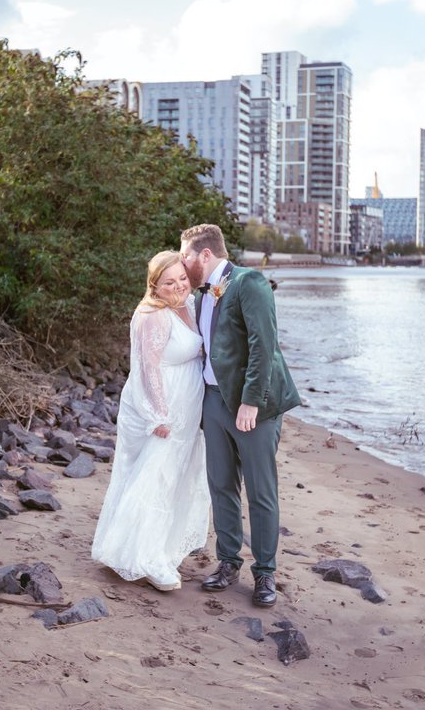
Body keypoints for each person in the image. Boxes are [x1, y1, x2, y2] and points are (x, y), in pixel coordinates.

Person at [179, 224, 301, 607]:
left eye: (184, 255)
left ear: (204, 255)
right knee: (221, 485)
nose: (181, 263)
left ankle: (265, 573)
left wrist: (251, 401)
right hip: (213, 402)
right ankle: (228, 562)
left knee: (261, 491)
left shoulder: (250, 283)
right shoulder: (200, 296)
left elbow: (264, 346)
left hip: (254, 407)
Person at [91, 251, 210, 592]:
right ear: (155, 285)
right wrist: (158, 415)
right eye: (169, 282)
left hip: (187, 408)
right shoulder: (153, 315)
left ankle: (160, 548)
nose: (178, 287)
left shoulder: (187, 307)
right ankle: (146, 558)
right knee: (154, 478)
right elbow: (147, 367)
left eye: (182, 280)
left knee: (174, 477)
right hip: (162, 408)